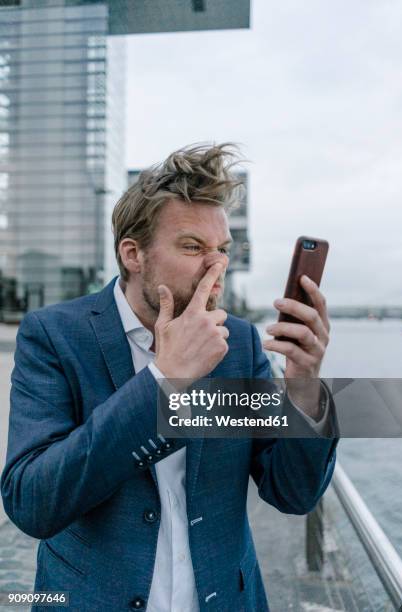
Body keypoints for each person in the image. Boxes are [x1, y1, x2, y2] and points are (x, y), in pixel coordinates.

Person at [1, 143, 338, 612]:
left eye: (221, 249)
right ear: (133, 254)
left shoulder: (238, 345)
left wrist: (304, 386)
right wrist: (163, 380)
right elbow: (32, 501)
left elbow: (293, 493)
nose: (216, 266)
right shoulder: (55, 336)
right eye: (193, 247)